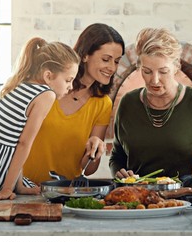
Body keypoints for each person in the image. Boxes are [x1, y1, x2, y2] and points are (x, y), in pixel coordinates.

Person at [109, 28, 192, 188]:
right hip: (139, 202)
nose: (155, 80)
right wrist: (119, 172)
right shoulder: (128, 104)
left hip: (188, 201)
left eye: (163, 71)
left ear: (176, 67)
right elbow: (117, 157)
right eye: (147, 71)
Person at [0, 37, 80, 201]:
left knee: (35, 190)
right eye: (68, 80)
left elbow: (12, 141)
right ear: (48, 76)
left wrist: (19, 185)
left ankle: (19, 184)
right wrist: (7, 189)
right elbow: (23, 144)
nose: (70, 87)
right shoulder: (46, 95)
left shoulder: (22, 83)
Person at [22, 23, 125, 185]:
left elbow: (88, 169)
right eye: (106, 59)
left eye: (117, 61)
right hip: (24, 187)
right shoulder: (49, 86)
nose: (112, 68)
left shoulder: (102, 103)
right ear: (85, 55)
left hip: (64, 191)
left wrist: (95, 151)